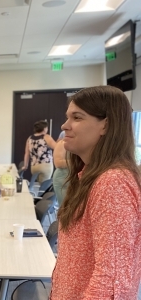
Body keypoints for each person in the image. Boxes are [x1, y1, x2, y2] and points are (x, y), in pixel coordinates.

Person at [50, 86, 141, 299]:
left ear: (106, 125)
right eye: (67, 117)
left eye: (77, 117)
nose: (65, 126)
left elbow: (111, 280)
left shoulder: (113, 182)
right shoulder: (89, 175)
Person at [52, 139, 68, 206]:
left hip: (77, 178)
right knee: (66, 208)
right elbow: (58, 163)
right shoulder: (62, 143)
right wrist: (77, 163)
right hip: (63, 178)